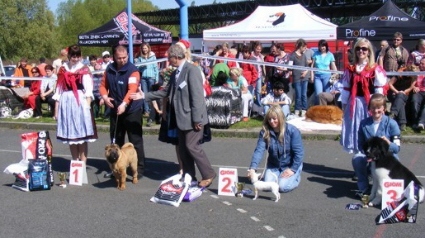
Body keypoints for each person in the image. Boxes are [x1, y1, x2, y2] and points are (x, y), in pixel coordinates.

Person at [144, 44, 216, 187]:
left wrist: (197, 118)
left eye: (169, 58)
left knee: (192, 146)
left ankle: (208, 174)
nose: (168, 61)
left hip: (193, 118)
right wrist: (144, 95)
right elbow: (165, 92)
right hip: (181, 118)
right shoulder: (175, 73)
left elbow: (197, 97)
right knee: (183, 149)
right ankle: (190, 177)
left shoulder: (192, 70)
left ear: (176, 57)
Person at [99, 45, 145, 178]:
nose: (122, 60)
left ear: (128, 56)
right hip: (116, 109)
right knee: (116, 140)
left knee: (135, 141)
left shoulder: (133, 70)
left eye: (124, 57)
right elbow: (102, 86)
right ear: (114, 57)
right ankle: (116, 167)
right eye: (119, 58)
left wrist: (124, 104)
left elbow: (132, 89)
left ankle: (138, 170)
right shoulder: (109, 68)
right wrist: (105, 96)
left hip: (132, 110)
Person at [340, 38, 387, 154]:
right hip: (354, 105)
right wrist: (344, 107)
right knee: (355, 132)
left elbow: (379, 90)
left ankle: (371, 163)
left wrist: (378, 106)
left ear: (369, 51)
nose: (361, 51)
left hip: (369, 104)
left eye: (364, 49)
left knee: (370, 131)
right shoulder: (350, 69)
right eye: (358, 48)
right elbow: (346, 89)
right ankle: (358, 165)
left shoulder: (374, 69)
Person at [52, 44, 97, 163]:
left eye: (78, 56)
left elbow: (88, 90)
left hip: (80, 102)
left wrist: (87, 107)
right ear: (69, 55)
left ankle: (82, 164)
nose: (76, 59)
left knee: (82, 137)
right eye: (73, 56)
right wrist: (56, 110)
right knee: (71, 136)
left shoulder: (84, 69)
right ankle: (75, 162)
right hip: (66, 103)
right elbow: (59, 89)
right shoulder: (63, 68)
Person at [248, 105, 304, 193]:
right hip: (274, 165)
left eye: (274, 118)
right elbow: (259, 150)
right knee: (267, 186)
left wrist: (292, 169)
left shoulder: (293, 131)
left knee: (282, 187)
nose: (271, 121)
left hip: (290, 165)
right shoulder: (265, 131)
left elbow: (299, 153)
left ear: (281, 117)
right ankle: (279, 176)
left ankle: (296, 177)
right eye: (269, 119)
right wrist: (252, 168)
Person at [355, 93, 401, 196]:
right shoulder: (363, 123)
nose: (376, 111)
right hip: (369, 155)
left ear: (384, 108)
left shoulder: (392, 123)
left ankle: (390, 191)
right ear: (369, 108)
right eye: (373, 108)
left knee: (396, 160)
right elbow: (360, 145)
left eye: (379, 108)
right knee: (357, 159)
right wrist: (368, 152)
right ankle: (364, 188)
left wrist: (388, 143)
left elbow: (397, 148)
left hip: (385, 156)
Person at [289, 39, 310, 117]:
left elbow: (307, 67)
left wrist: (305, 72)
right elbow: (289, 67)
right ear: (301, 46)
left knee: (304, 94)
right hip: (297, 78)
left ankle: (304, 110)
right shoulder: (293, 56)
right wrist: (290, 71)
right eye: (304, 47)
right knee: (298, 94)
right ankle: (297, 110)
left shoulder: (304, 56)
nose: (305, 49)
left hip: (305, 78)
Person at [137, 43, 159, 117]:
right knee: (144, 95)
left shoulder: (152, 57)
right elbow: (137, 68)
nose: (144, 50)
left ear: (148, 48)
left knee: (151, 94)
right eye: (143, 48)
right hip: (143, 78)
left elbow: (156, 68)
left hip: (151, 77)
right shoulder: (140, 57)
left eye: (145, 48)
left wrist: (157, 78)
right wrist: (141, 66)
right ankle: (146, 111)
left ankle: (153, 110)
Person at [412, 57, 425, 131]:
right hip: (418, 91)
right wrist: (414, 87)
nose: (420, 65)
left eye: (423, 64)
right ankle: (415, 122)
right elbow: (412, 83)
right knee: (415, 101)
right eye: (420, 63)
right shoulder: (416, 72)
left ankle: (421, 123)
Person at [251, 42, 266, 106]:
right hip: (253, 76)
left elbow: (263, 66)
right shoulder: (251, 55)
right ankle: (251, 105)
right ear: (254, 48)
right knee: (252, 90)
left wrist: (264, 74)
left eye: (260, 49)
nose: (258, 50)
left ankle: (258, 104)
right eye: (257, 49)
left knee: (258, 91)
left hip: (259, 75)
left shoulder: (261, 56)